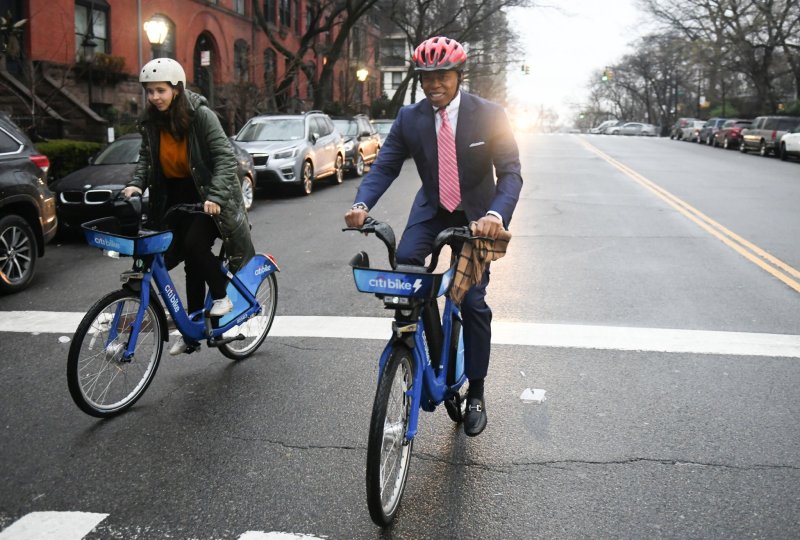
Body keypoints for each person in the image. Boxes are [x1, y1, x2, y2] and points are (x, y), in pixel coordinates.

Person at [344, 36, 523, 436]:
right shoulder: (410, 117)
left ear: (458, 75)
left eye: (442, 75)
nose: (434, 84)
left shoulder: (489, 114)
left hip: (477, 217)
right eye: (426, 77)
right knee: (408, 271)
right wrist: (362, 204)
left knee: (472, 301)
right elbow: (385, 166)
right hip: (432, 210)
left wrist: (495, 214)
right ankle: (424, 348)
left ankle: (476, 391)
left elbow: (511, 172)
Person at [122, 58, 255, 356]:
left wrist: (216, 197)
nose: (154, 97)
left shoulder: (201, 116)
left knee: (195, 245)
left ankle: (221, 296)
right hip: (173, 196)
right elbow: (146, 160)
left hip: (208, 193)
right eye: (149, 91)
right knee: (179, 258)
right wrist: (136, 184)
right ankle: (192, 330)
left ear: (177, 89)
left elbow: (225, 158)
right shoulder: (152, 121)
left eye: (160, 90)